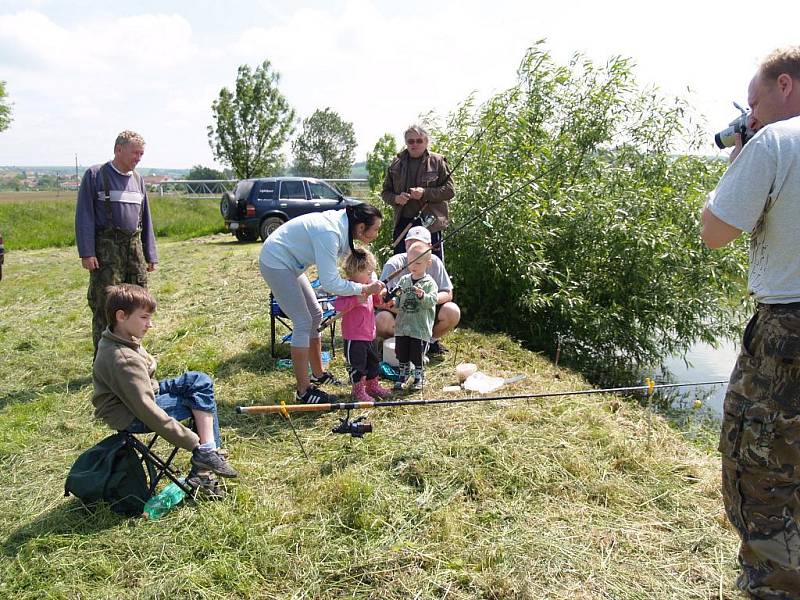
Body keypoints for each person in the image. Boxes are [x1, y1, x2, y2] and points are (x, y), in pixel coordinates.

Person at [701, 46, 800, 599]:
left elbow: (716, 231)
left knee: (760, 472)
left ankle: (776, 586)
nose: (752, 114)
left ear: (784, 85)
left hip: (788, 328)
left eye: (755, 101)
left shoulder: (777, 142)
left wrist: (741, 155)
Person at [92, 284, 238, 492]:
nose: (149, 325)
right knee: (199, 400)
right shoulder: (122, 358)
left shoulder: (122, 336)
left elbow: (143, 382)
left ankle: (208, 453)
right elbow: (146, 411)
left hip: (145, 392)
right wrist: (192, 442)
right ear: (121, 316)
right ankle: (205, 463)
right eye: (143, 318)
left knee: (199, 381)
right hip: (129, 415)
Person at [259, 204, 385, 404]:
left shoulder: (343, 226)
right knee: (302, 321)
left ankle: (318, 374)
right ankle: (303, 391)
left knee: (315, 315)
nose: (377, 234)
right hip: (276, 261)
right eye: (376, 229)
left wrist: (369, 282)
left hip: (291, 264)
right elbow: (330, 283)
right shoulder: (330, 233)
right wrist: (362, 289)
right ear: (360, 227)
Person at [75, 130, 157, 357]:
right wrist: (87, 251)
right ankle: (104, 359)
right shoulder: (96, 175)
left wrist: (150, 254)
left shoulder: (138, 180)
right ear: (118, 150)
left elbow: (146, 218)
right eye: (135, 153)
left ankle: (134, 355)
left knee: (139, 303)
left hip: (133, 250)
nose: (138, 158)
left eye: (141, 154)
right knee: (106, 303)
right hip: (106, 250)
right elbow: (84, 216)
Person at [376, 226, 461, 355]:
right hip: (399, 313)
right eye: (411, 243)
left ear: (429, 247)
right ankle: (400, 344)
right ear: (405, 244)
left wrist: (429, 300)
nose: (414, 247)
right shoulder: (394, 263)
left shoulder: (435, 262)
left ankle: (429, 342)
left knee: (452, 311)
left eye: (419, 244)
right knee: (381, 320)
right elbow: (381, 298)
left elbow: (448, 293)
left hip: (426, 311)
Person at [381, 124, 455, 262]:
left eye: (419, 141)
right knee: (401, 264)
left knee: (431, 264)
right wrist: (396, 198)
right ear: (406, 142)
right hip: (403, 224)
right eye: (411, 141)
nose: (415, 144)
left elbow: (450, 191)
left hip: (430, 225)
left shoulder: (438, 161)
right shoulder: (396, 164)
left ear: (426, 142)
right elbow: (385, 192)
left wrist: (425, 193)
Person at [333, 248, 393, 401]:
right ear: (355, 271)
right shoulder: (346, 288)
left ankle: (372, 385)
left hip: (370, 334)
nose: (370, 277)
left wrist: (381, 298)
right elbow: (337, 306)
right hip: (354, 337)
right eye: (368, 273)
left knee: (373, 362)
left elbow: (376, 303)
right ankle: (358, 390)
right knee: (358, 365)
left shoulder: (368, 286)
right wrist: (354, 300)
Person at [391, 242, 438, 390]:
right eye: (411, 262)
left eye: (418, 263)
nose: (414, 266)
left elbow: (432, 301)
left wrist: (422, 295)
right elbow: (397, 297)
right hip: (403, 326)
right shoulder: (404, 280)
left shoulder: (430, 283)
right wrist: (392, 301)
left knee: (417, 354)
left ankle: (418, 376)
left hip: (419, 328)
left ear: (428, 263)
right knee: (402, 352)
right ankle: (403, 374)